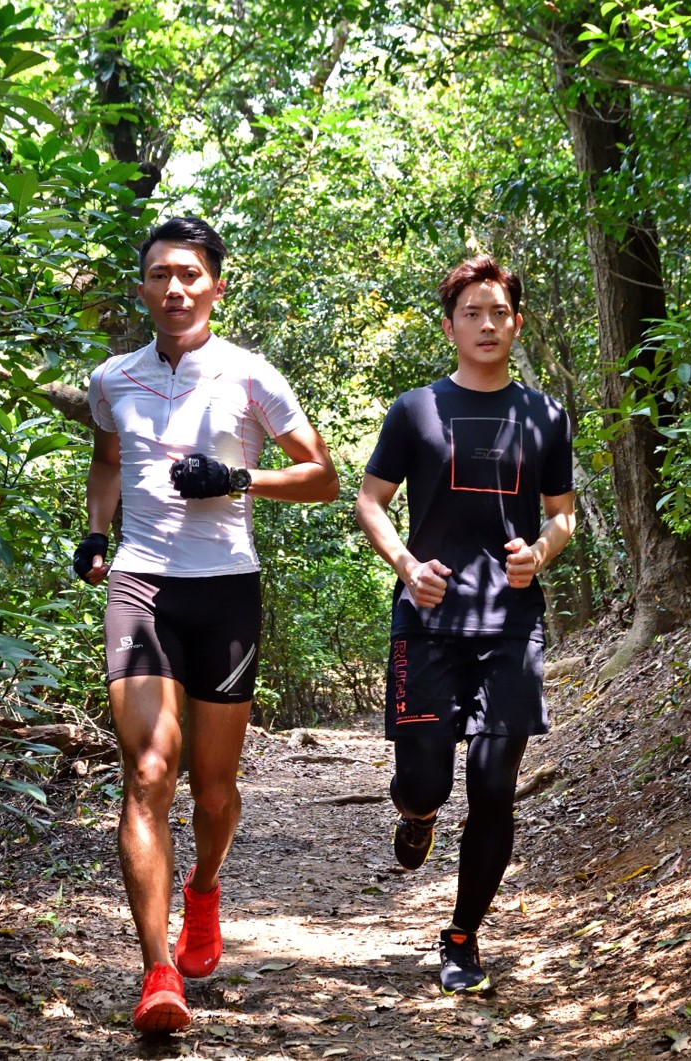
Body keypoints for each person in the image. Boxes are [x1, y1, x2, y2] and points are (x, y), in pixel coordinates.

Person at [75, 217, 338, 1033]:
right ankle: (159, 974)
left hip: (225, 589)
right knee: (151, 770)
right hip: (141, 583)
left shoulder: (251, 375)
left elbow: (323, 476)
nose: (174, 288)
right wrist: (95, 529)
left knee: (213, 790)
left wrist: (238, 475)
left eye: (189, 274)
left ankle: (203, 891)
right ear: (143, 287)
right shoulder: (111, 377)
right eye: (159, 275)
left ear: (217, 285)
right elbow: (108, 459)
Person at [353, 255, 576, 995]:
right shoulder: (415, 409)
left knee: (492, 784)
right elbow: (370, 501)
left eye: (499, 312)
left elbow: (561, 513)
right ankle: (414, 812)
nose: (487, 324)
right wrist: (404, 564)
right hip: (426, 619)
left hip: (511, 624)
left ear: (516, 322)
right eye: (472, 312)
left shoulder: (543, 414)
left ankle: (461, 936)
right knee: (425, 778)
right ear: (449, 325)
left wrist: (539, 553)